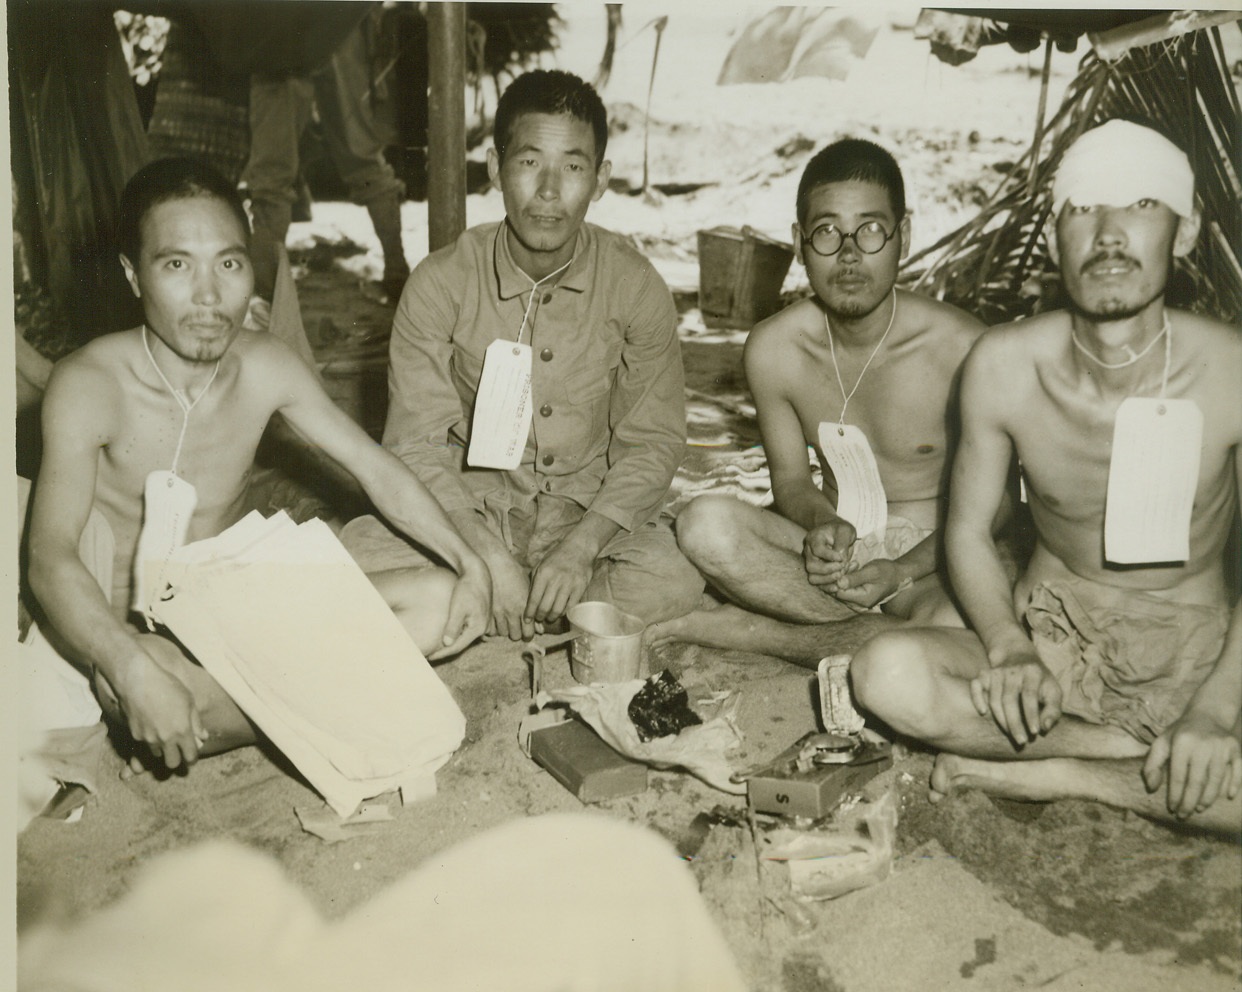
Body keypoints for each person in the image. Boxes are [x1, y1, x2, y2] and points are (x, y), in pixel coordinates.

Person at [26, 156, 491, 776]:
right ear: (133, 276)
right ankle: (236, 705)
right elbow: (49, 556)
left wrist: (471, 563)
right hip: (123, 641)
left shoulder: (265, 365)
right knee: (147, 681)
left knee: (438, 600)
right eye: (176, 265)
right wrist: (129, 664)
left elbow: (374, 468)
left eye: (229, 262)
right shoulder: (88, 383)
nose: (210, 295)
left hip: (225, 615)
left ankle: (217, 717)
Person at [850, 120, 1242, 835]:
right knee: (884, 675)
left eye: (1142, 205)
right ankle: (1135, 758)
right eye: (1083, 208)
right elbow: (966, 531)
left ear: (1183, 235)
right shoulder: (1004, 365)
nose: (1110, 232)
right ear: (1056, 235)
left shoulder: (1231, 369)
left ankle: (1062, 772)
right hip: (1051, 635)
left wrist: (1215, 709)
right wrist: (1009, 646)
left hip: (1194, 648)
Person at [340, 69, 704, 640]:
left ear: (602, 178)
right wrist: (480, 554)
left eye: (574, 167)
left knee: (677, 575)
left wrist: (582, 549)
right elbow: (413, 444)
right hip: (473, 510)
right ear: (496, 167)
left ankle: (492, 610)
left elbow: (653, 442)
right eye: (531, 162)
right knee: (356, 555)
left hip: (586, 514)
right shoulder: (441, 283)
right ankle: (542, 609)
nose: (551, 191)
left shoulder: (635, 285)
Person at [651, 138, 985, 663]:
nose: (849, 254)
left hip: (936, 559)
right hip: (831, 561)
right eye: (827, 232)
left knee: (959, 622)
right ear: (800, 242)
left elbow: (999, 506)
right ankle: (874, 638)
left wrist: (903, 570)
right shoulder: (774, 349)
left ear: (905, 234)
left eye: (871, 229)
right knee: (703, 527)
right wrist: (820, 525)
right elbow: (789, 481)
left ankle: (753, 631)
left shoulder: (963, 348)